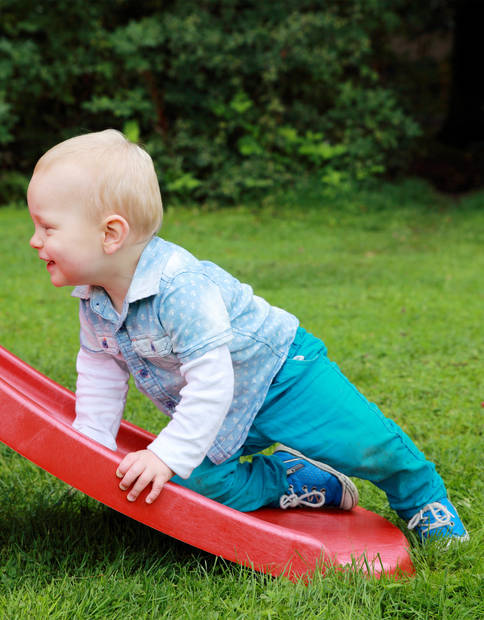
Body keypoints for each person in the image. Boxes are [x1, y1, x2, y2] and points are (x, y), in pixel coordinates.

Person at [27, 129, 468, 543]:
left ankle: (421, 494)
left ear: (111, 234)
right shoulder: (95, 299)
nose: (34, 240)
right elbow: (101, 367)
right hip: (223, 406)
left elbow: (212, 381)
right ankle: (290, 477)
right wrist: (92, 440)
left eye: (47, 228)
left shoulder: (181, 288)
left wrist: (165, 452)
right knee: (184, 484)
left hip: (283, 375)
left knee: (365, 444)